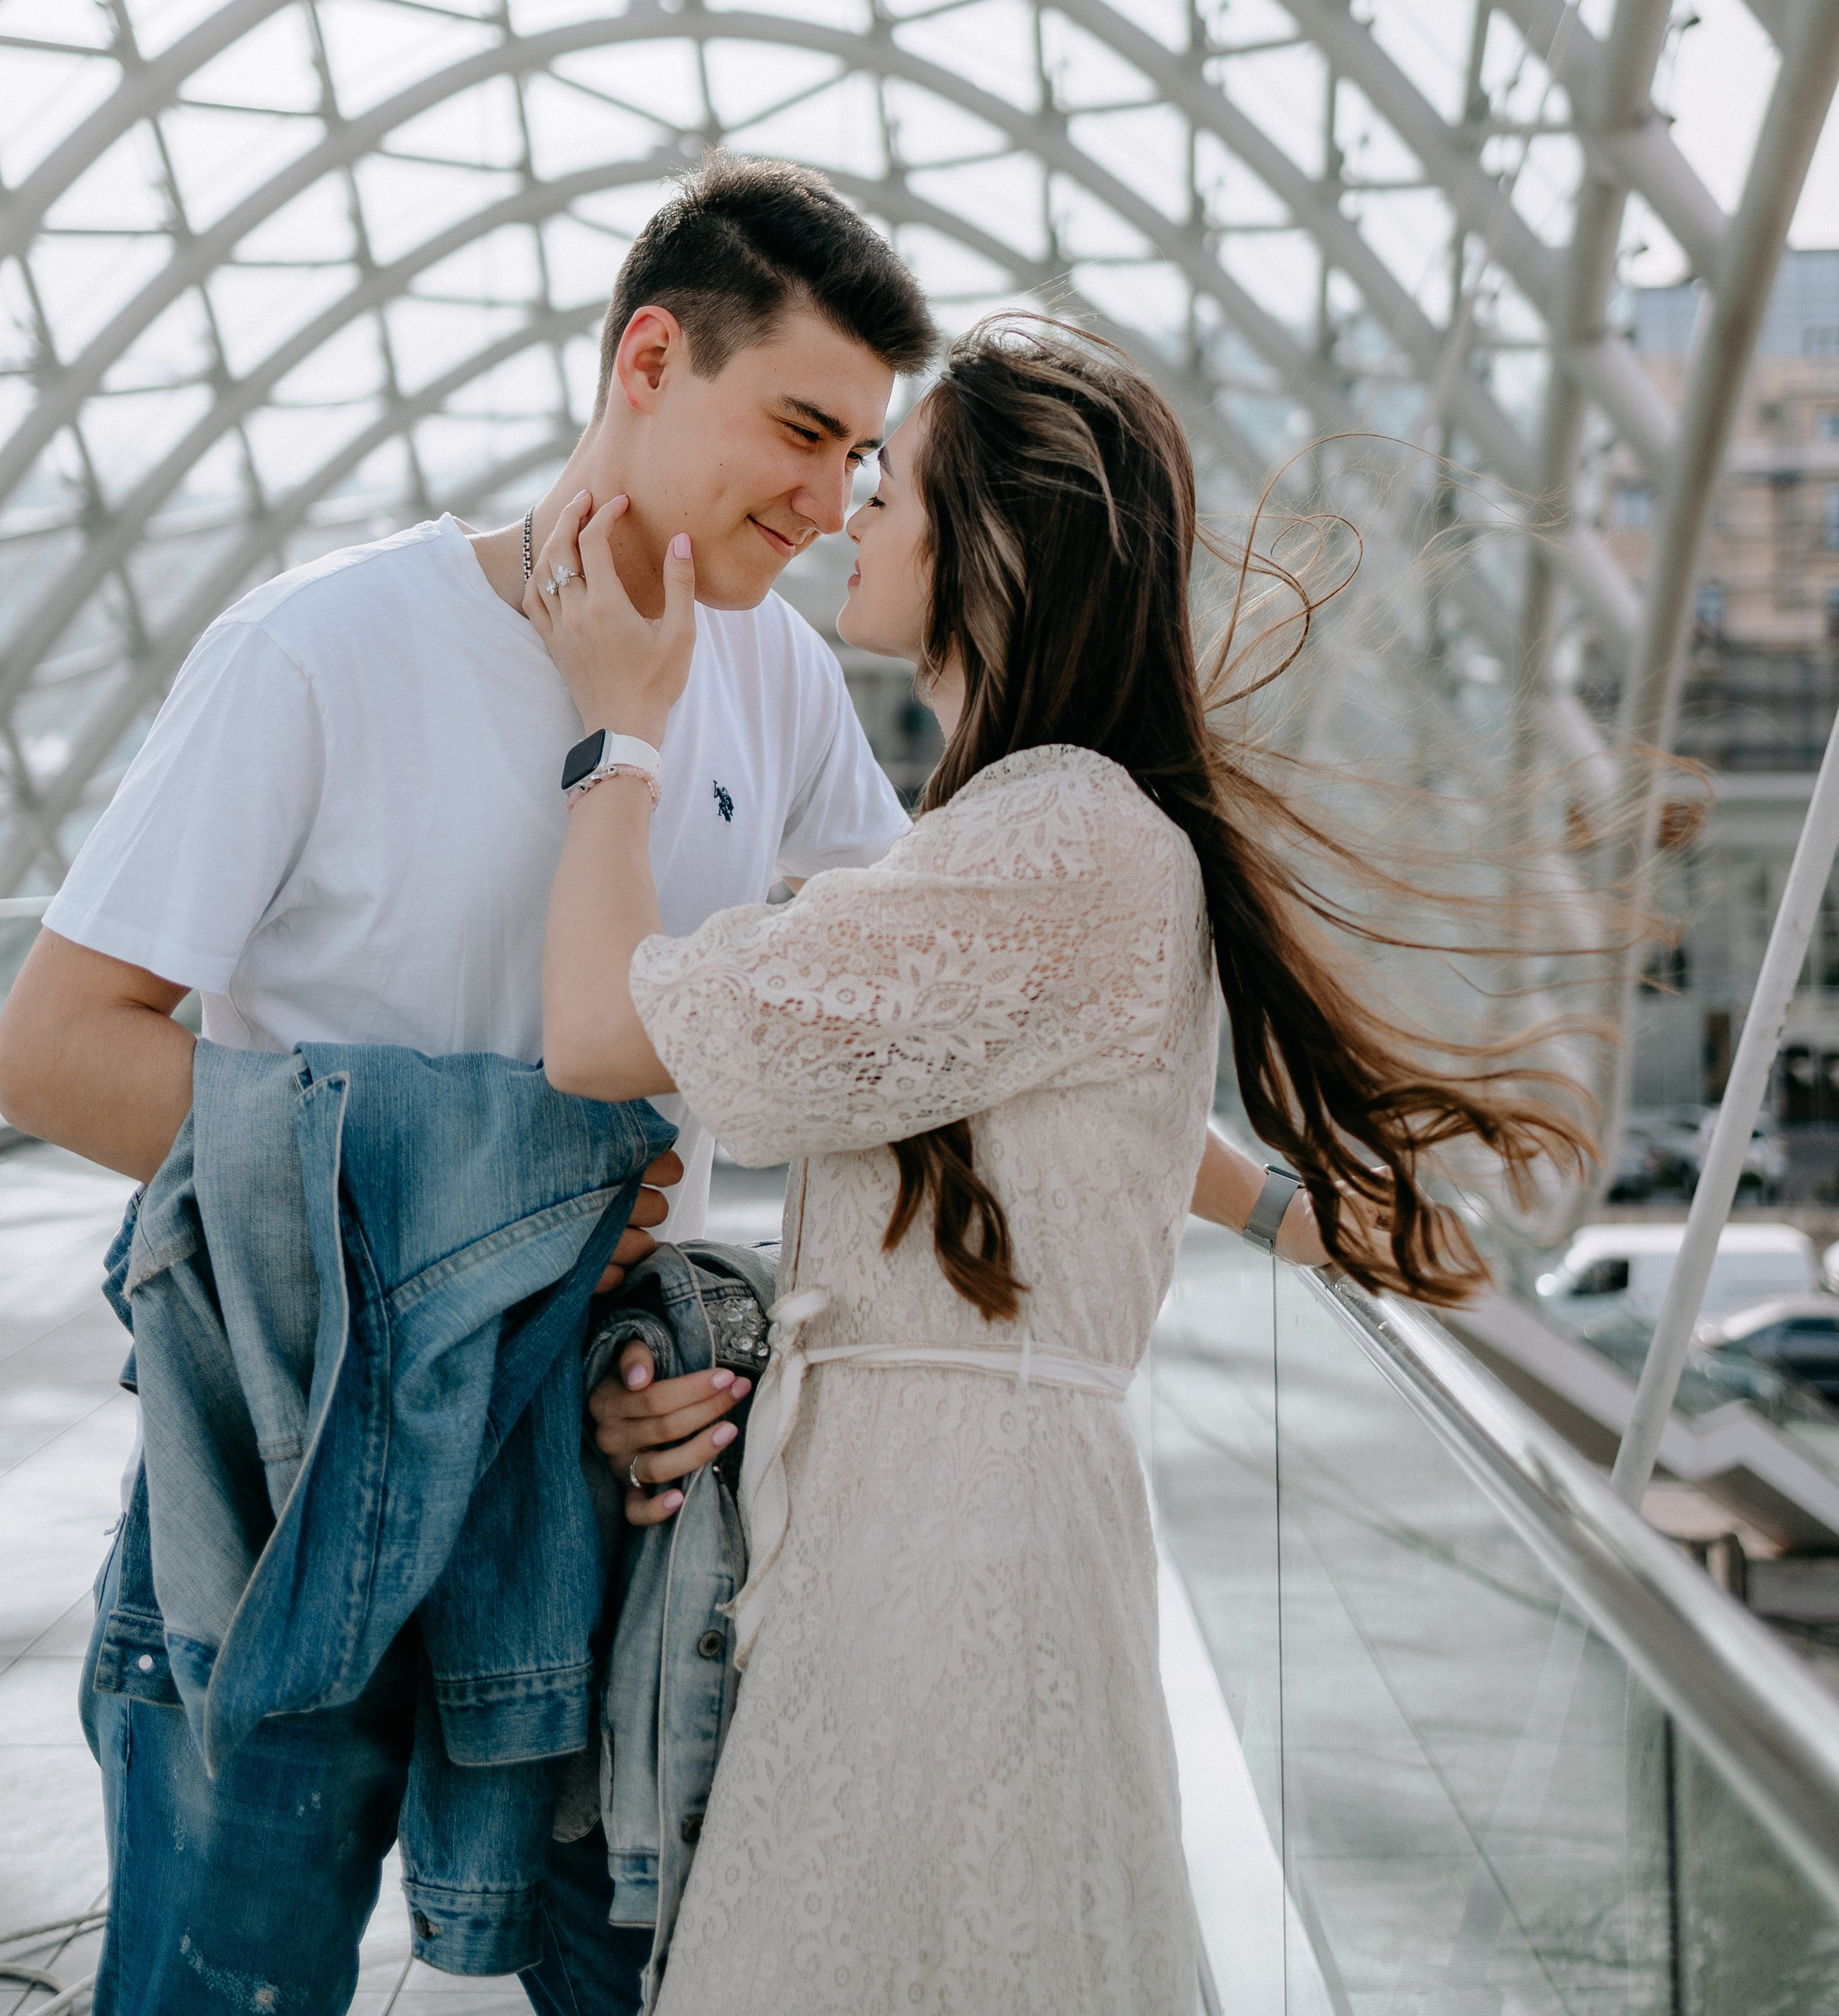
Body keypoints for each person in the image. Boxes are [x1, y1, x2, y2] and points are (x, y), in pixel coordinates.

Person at [527, 317, 1589, 2015]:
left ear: (992, 547)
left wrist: (619, 732)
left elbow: (596, 1030)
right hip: (949, 1535)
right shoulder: (1054, 830)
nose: (850, 514)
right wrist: (1298, 1218)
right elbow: (1091, 1119)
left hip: (943, 1565)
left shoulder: (1052, 836)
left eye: (889, 482)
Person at [0, 152, 935, 2016]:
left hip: (589, 1490)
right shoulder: (319, 647)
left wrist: (728, 1340)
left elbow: (911, 1022)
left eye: (862, 463)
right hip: (276, 1473)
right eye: (805, 432)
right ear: (649, 359)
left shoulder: (778, 691)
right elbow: (52, 1040)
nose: (834, 506)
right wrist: (510, 1206)